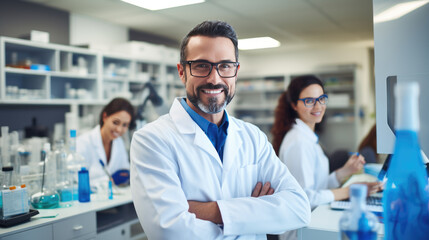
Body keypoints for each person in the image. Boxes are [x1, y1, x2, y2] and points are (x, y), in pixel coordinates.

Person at [130, 20, 311, 239]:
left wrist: (206, 211)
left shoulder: (253, 137)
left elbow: (299, 209)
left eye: (225, 66)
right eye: (201, 65)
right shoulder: (151, 140)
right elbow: (170, 232)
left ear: (236, 71)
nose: (214, 78)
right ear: (182, 72)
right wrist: (254, 214)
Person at [271, 76, 381, 240]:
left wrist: (344, 172)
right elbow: (306, 197)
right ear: (294, 105)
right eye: (309, 100)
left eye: (322, 99)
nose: (318, 106)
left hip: (312, 220)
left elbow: (318, 185)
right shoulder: (298, 143)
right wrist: (348, 191)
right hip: (299, 231)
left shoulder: (307, 137)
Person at [77, 97, 135, 186]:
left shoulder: (118, 142)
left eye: (124, 125)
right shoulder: (83, 143)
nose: (119, 129)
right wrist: (109, 181)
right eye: (115, 122)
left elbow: (125, 171)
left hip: (116, 198)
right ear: (105, 117)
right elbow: (76, 182)